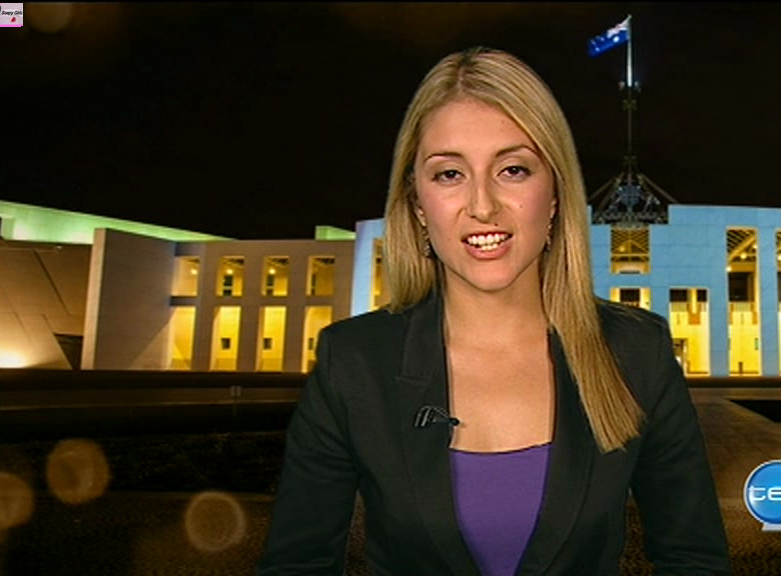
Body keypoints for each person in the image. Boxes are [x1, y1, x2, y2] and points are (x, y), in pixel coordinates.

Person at [257, 47, 731, 575]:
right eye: (449, 174)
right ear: (417, 206)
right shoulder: (353, 362)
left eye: (513, 169)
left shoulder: (637, 352)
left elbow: (694, 560)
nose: (482, 206)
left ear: (555, 195)